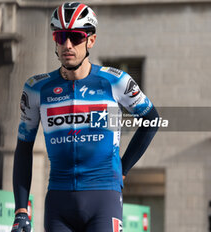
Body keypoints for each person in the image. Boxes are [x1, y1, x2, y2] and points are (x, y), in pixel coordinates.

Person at [11, 2, 159, 232]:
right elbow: (23, 148)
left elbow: (152, 121)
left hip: (104, 197)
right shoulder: (36, 88)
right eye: (61, 37)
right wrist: (21, 210)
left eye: (76, 37)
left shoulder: (115, 81)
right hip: (59, 201)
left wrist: (124, 168)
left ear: (91, 40)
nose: (67, 45)